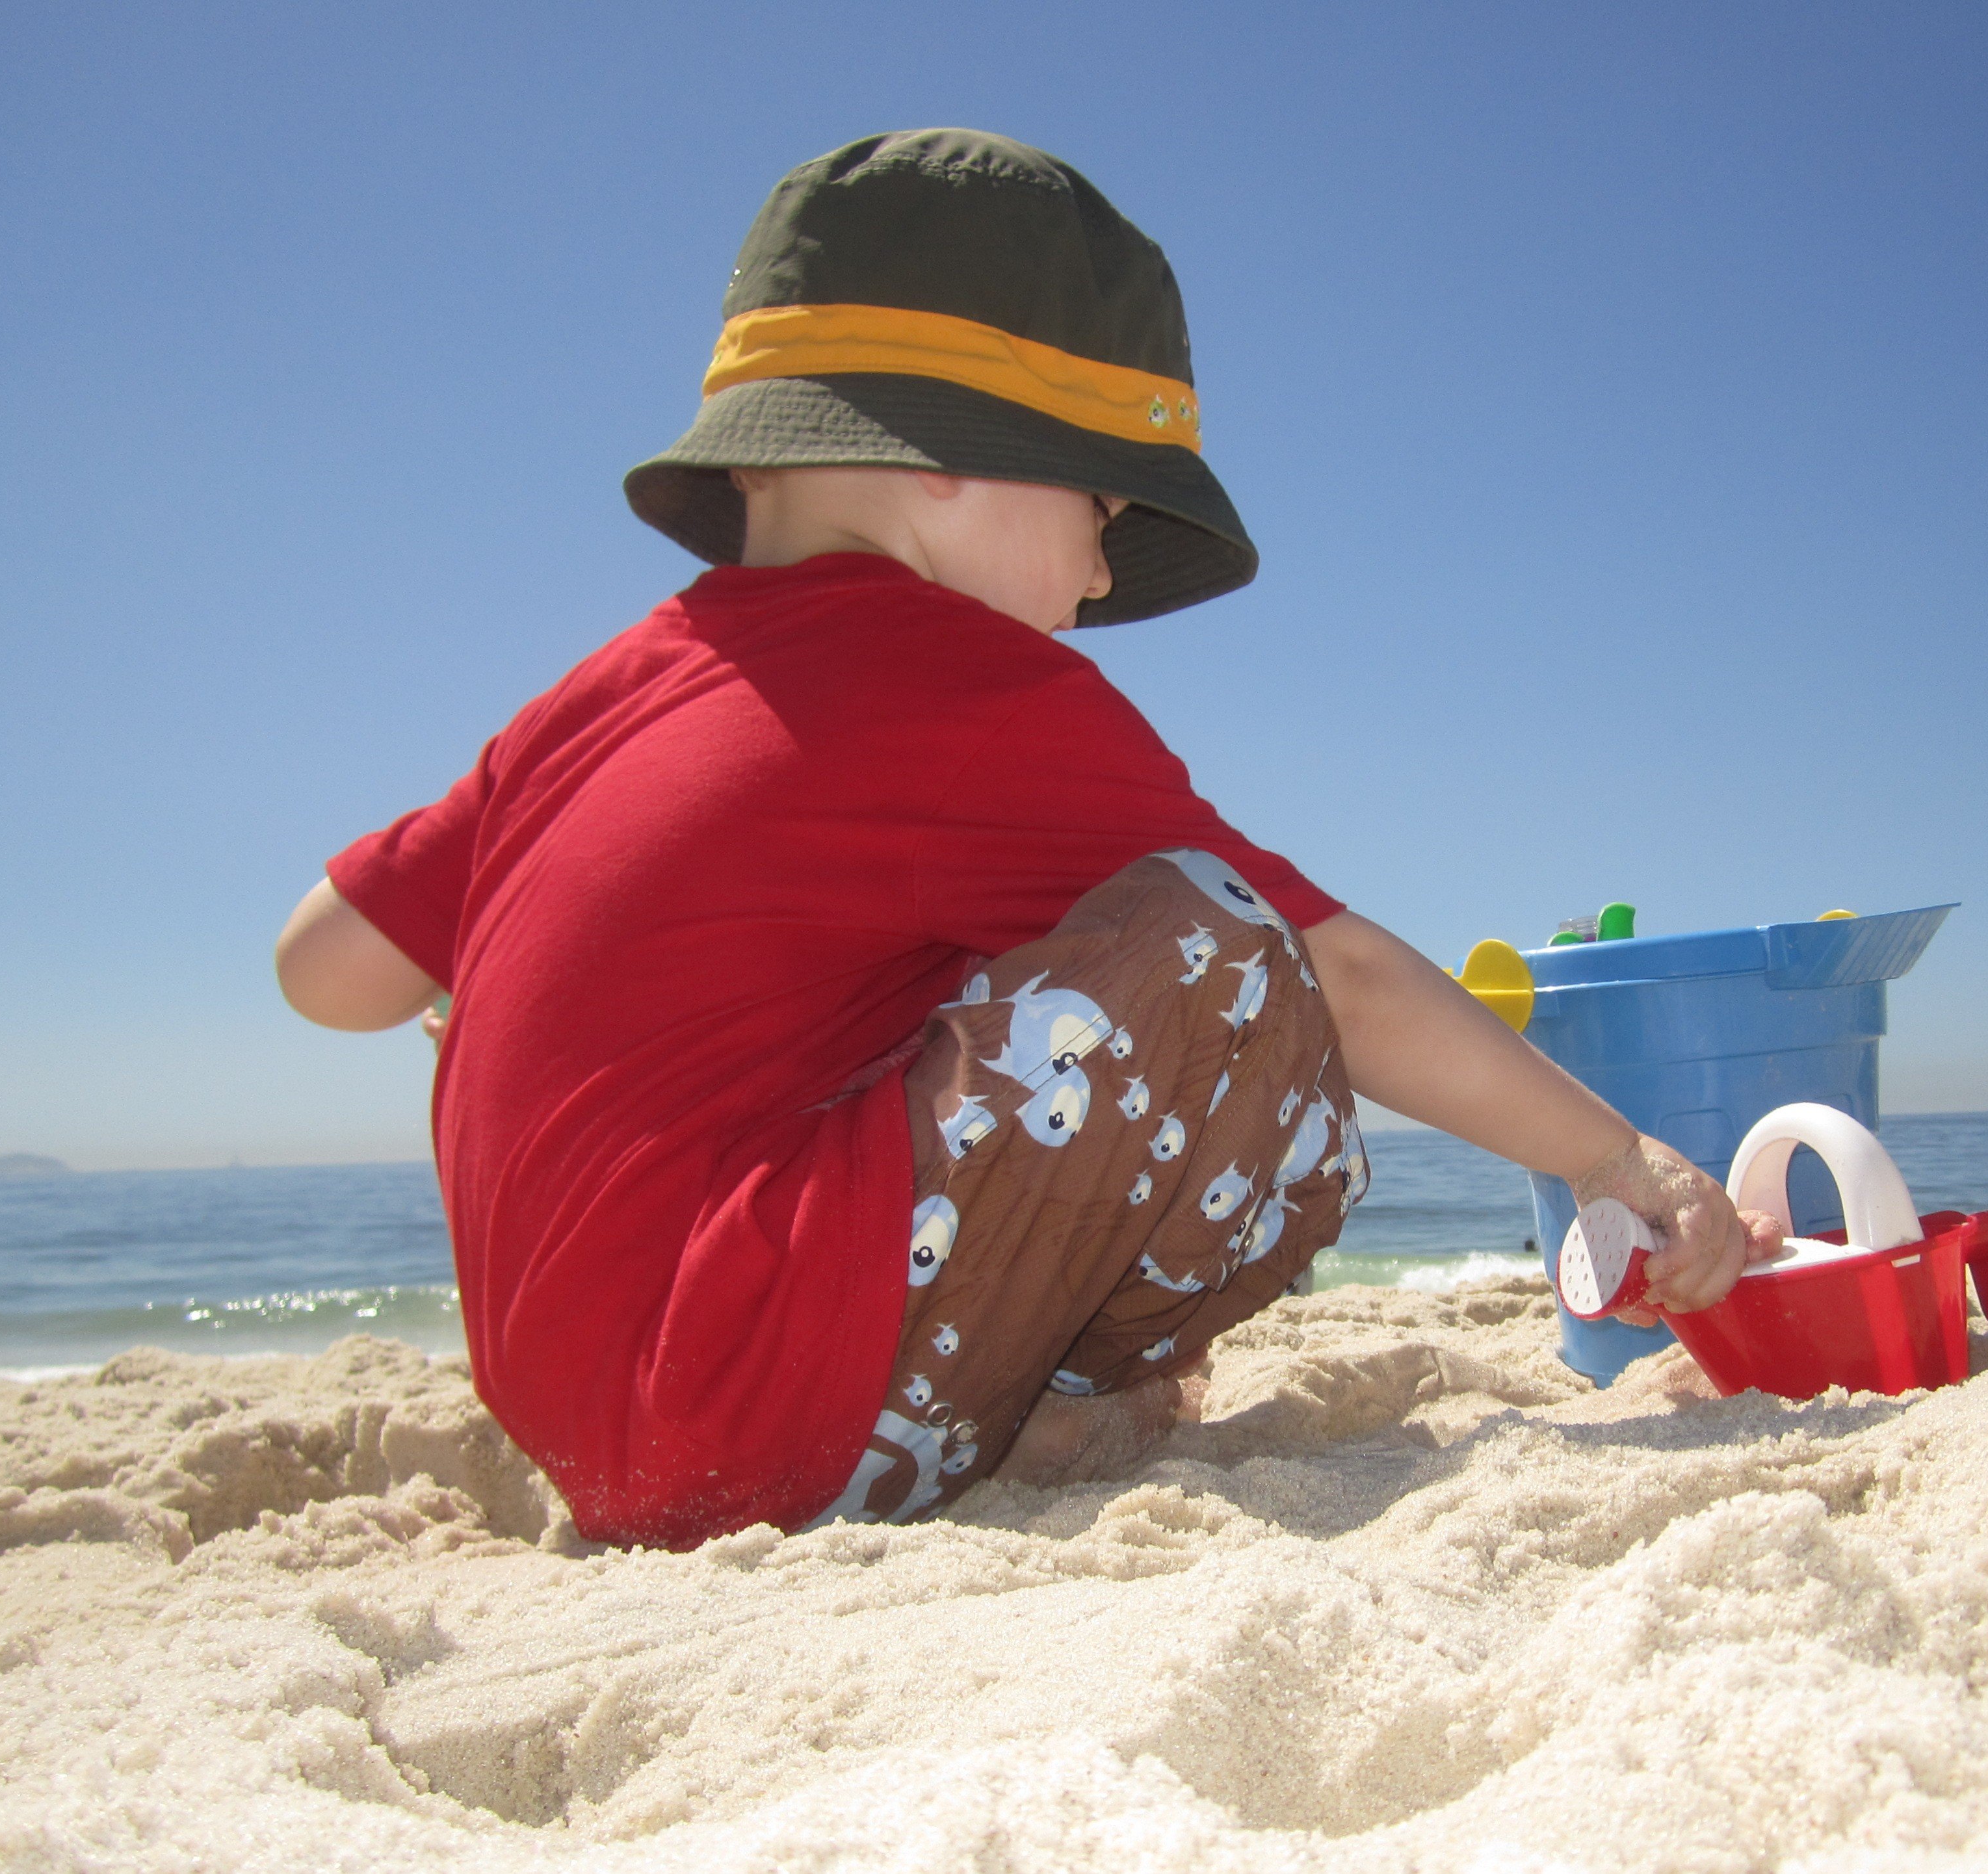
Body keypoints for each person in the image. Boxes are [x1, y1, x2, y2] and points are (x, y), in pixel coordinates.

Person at [274, 129, 1779, 1550]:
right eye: (1107, 504)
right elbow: (1354, 979)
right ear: (952, 454)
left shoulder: (598, 696)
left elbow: (325, 967)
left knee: (939, 976)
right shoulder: (955, 679)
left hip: (586, 1434)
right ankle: (1044, 1411)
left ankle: (963, 1405)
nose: (1106, 563)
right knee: (1227, 949)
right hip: (763, 1411)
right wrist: (1618, 1151)